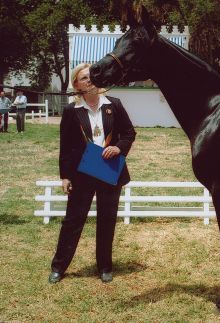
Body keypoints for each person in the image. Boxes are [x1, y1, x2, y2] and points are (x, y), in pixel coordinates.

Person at [49, 63, 136, 284]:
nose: (90, 81)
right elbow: (66, 146)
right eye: (84, 78)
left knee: (107, 221)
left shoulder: (114, 105)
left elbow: (129, 133)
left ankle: (105, 266)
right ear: (76, 84)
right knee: (73, 221)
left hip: (108, 169)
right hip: (82, 172)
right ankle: (59, 267)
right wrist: (65, 176)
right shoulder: (71, 110)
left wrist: (119, 147)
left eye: (92, 76)